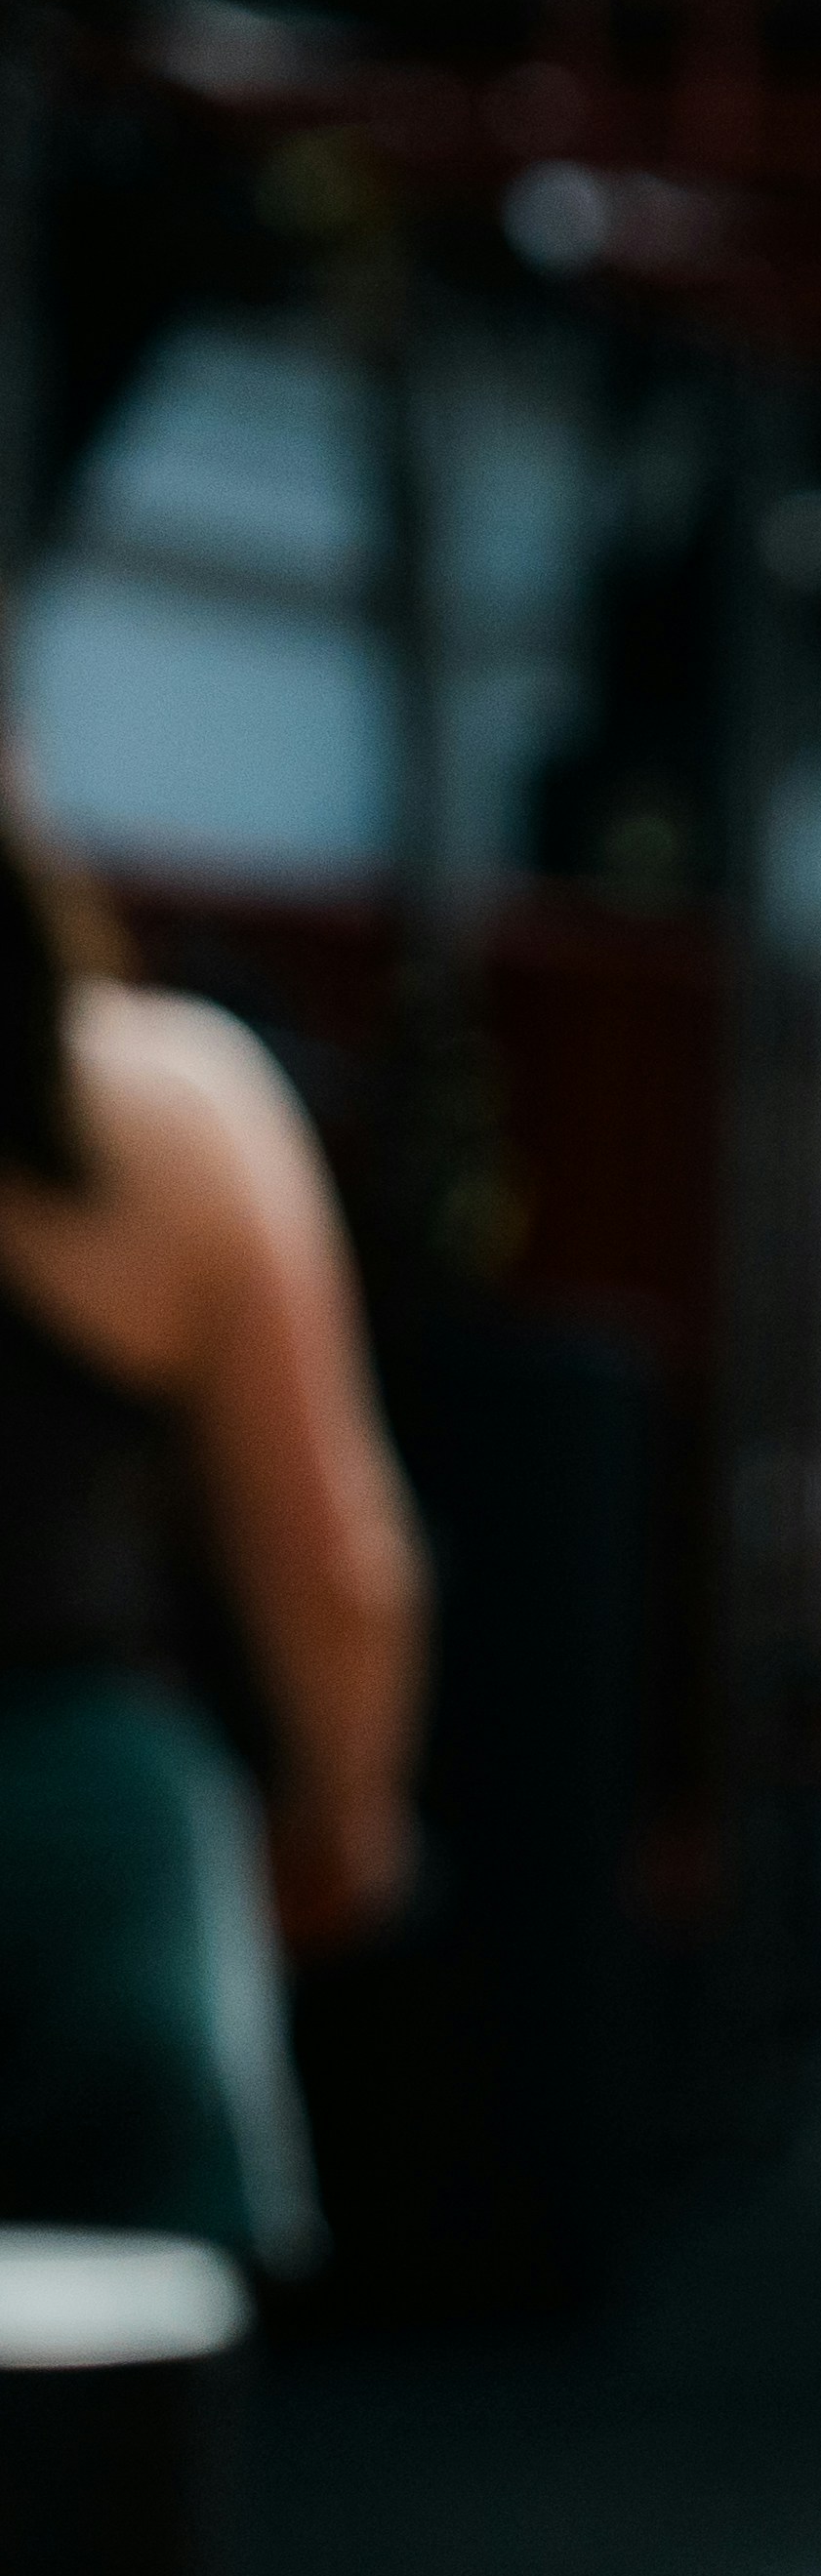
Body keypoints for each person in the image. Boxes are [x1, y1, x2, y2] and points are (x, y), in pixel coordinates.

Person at [0, 769, 422, 2265]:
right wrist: (347, 1821)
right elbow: (337, 1561)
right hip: (87, 1864)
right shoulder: (177, 1107)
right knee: (107, 2457)